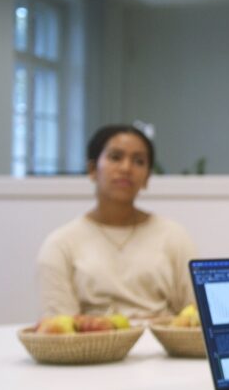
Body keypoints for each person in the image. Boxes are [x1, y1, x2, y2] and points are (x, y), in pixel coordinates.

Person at [36, 124, 196, 319]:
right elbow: (60, 324)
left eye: (138, 161)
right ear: (93, 169)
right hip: (91, 346)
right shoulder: (61, 243)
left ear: (147, 177)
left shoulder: (172, 236)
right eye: (115, 157)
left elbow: (194, 314)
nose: (126, 168)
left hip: (162, 347)